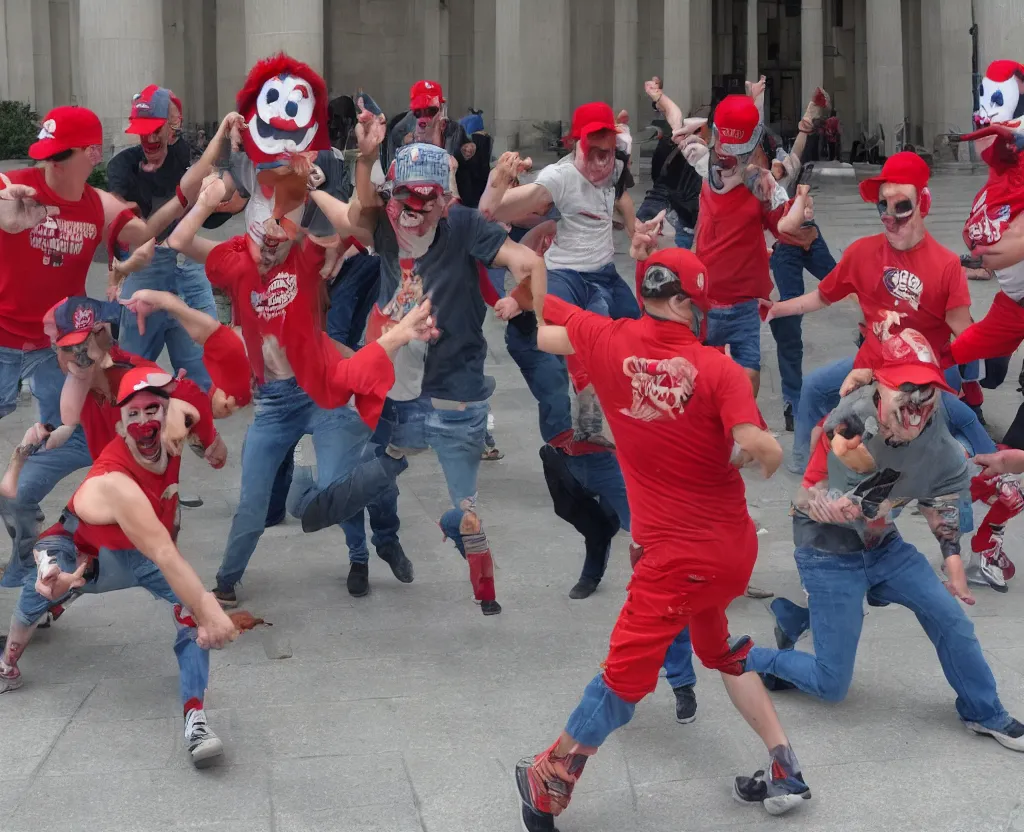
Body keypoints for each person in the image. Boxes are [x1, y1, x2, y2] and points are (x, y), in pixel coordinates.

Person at [515, 248, 811, 832]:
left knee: (624, 675)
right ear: (685, 303)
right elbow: (763, 446)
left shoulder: (605, 337)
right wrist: (758, 454)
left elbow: (542, 315)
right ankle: (784, 763)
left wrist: (527, 270)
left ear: (647, 293)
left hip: (677, 559)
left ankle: (553, 774)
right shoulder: (717, 369)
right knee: (718, 649)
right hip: (729, 552)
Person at [746, 329, 1024, 754]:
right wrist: (825, 502)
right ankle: (749, 657)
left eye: (927, 390)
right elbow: (809, 491)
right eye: (906, 388)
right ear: (881, 387)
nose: (918, 402)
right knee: (831, 684)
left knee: (951, 620)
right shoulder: (851, 420)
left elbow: (941, 499)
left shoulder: (937, 430)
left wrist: (954, 571)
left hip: (883, 544)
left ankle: (983, 712)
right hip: (827, 551)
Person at [167, 173, 435, 608]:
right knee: (252, 502)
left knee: (337, 488)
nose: (271, 241)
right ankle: (227, 580)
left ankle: (359, 556)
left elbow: (349, 226)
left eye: (282, 231)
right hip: (274, 404)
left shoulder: (306, 258)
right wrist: (207, 200)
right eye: (262, 235)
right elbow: (180, 241)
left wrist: (316, 187)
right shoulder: (236, 266)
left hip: (322, 393)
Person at [311, 127, 547, 613]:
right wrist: (337, 171)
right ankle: (380, 544)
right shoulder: (382, 224)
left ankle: (471, 558)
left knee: (453, 498)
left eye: (426, 201)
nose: (413, 212)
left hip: (454, 380)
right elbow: (348, 213)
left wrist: (521, 302)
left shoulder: (462, 225)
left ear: (445, 202)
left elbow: (526, 262)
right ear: (391, 192)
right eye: (404, 199)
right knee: (380, 469)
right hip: (393, 372)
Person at [0, 367, 240, 767]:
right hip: (85, 556)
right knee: (42, 587)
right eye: (134, 416)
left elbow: (187, 395)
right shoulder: (114, 478)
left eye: (153, 411)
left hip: (142, 558)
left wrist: (200, 424)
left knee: (188, 619)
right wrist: (208, 606)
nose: (145, 422)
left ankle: (195, 719)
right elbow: (164, 552)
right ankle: (9, 665)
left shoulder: (172, 431)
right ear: (121, 426)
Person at [0, 105, 182, 581]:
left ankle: (33, 560)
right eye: (46, 155)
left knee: (67, 440)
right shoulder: (15, 186)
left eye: (62, 155)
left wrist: (196, 196)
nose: (51, 165)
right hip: (1, 339)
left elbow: (146, 233)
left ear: (91, 154)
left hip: (54, 349)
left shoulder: (100, 206)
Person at [477, 101, 638, 599]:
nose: (601, 162)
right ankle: (600, 524)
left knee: (598, 450)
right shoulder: (552, 189)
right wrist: (500, 186)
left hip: (583, 300)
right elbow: (497, 214)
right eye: (594, 151)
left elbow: (620, 185)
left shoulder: (608, 165)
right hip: (533, 334)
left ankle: (620, 528)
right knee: (566, 444)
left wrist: (637, 234)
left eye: (608, 152)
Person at [1, 295, 227, 591]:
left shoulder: (134, 376)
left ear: (100, 337)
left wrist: (209, 440)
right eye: (65, 347)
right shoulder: (73, 375)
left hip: (132, 480)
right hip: (90, 445)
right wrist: (47, 438)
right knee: (17, 497)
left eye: (81, 346)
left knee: (118, 555)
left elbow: (183, 391)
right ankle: (32, 576)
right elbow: (71, 418)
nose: (73, 356)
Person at [675, 91, 814, 398]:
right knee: (697, 384)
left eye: (742, 152)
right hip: (703, 297)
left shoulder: (762, 186)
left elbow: (785, 226)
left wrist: (800, 206)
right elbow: (679, 130)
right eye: (727, 150)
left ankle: (740, 438)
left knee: (746, 378)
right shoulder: (704, 163)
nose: (734, 160)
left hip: (743, 302)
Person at [106, 85, 225, 393]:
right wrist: (120, 267)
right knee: (131, 374)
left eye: (156, 129)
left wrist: (221, 190)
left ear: (170, 126)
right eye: (142, 131)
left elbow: (221, 199)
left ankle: (201, 437)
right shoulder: (122, 166)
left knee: (204, 375)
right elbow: (123, 224)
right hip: (145, 272)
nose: (149, 139)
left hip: (188, 267)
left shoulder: (186, 155)